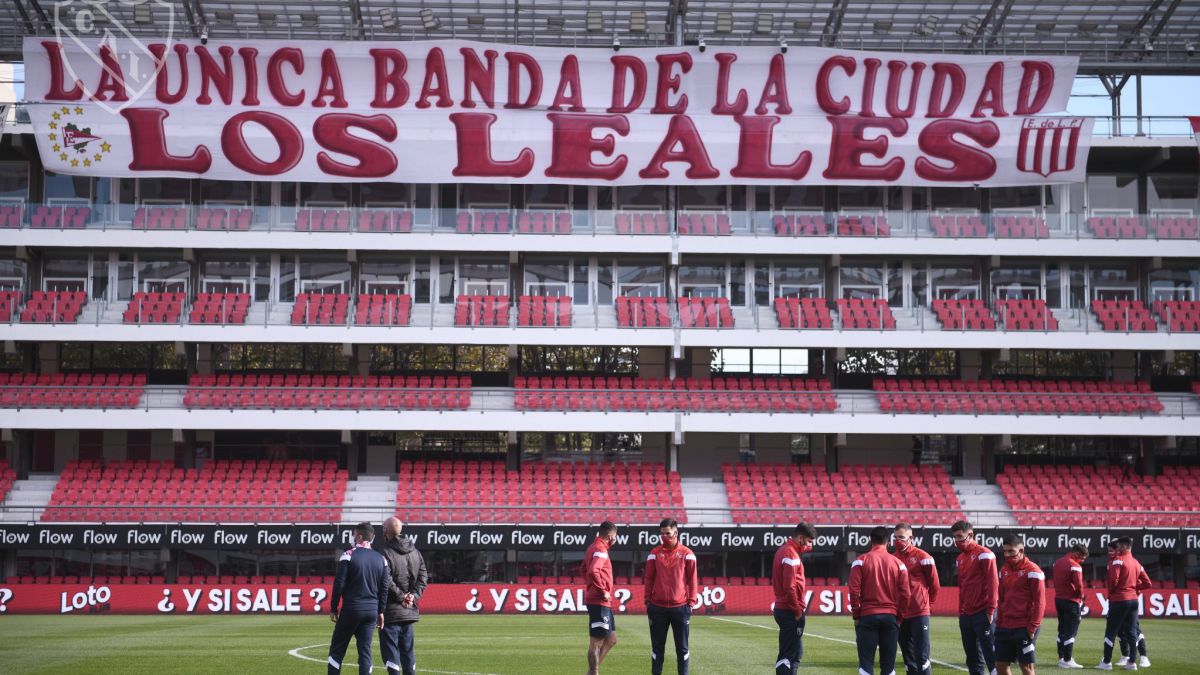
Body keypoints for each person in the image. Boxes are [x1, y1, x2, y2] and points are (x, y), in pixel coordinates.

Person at [327, 522, 390, 675]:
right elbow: (384, 588)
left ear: (360, 536)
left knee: (337, 651)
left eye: (354, 535)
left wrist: (334, 608)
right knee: (365, 651)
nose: (353, 537)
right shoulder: (382, 559)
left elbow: (339, 584)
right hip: (371, 611)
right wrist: (380, 611)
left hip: (351, 609)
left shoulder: (348, 555)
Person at [850, 525, 912, 675]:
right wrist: (899, 616)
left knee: (866, 665)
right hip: (890, 617)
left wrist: (857, 615)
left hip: (867, 616)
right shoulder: (899, 564)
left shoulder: (860, 561)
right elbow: (906, 594)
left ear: (870, 541)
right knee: (888, 667)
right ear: (888, 542)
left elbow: (854, 591)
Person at [644, 517, 698, 675]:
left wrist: (691, 603)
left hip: (680, 608)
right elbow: (649, 578)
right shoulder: (654, 553)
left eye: (668, 533)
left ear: (676, 532)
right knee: (657, 649)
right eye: (662, 534)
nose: (664, 537)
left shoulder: (687, 554)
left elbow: (692, 580)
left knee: (682, 649)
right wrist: (648, 600)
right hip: (657, 608)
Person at [375, 517, 428, 675]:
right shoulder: (416, 552)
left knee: (390, 652)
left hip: (391, 611)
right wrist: (413, 596)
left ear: (386, 531)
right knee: (407, 652)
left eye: (383, 527)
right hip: (409, 610)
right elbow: (423, 577)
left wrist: (401, 597)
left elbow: (386, 580)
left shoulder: (384, 552)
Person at [951, 520, 998, 675]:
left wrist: (991, 609)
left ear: (970, 535)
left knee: (991, 655)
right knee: (972, 657)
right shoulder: (960, 559)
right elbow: (963, 587)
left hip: (983, 611)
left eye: (960, 536)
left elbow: (993, 583)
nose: (957, 540)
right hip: (966, 614)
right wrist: (961, 611)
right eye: (955, 537)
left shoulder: (985, 554)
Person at [893, 522, 940, 675]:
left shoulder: (924, 557)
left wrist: (928, 605)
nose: (898, 541)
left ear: (911, 538)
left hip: (920, 613)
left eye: (901, 537)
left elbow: (935, 585)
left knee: (922, 657)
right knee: (908, 658)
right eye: (895, 538)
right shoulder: (893, 559)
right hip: (901, 614)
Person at [994, 535, 1045, 675]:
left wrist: (1032, 627)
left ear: (1021, 550)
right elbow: (1002, 598)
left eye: (1011, 551)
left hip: (1024, 626)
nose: (1007, 555)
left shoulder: (1034, 571)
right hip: (1004, 626)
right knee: (1000, 665)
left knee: (1026, 667)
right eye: (1004, 551)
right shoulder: (1003, 570)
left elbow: (1040, 602)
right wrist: (999, 622)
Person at [1098, 537, 1151, 671]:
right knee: (1132, 632)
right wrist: (1133, 588)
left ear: (1123, 547)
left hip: (1119, 599)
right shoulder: (1136, 562)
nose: (1118, 549)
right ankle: (1132, 662)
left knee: (1111, 631)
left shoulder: (1118, 560)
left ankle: (1106, 662)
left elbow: (1113, 580)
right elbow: (1147, 583)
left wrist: (1113, 593)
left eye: (1119, 546)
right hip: (1133, 600)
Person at [771, 522, 816, 675]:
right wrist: (797, 611)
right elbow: (790, 587)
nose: (810, 546)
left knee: (789, 653)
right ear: (801, 538)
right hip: (790, 610)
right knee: (792, 655)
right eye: (809, 541)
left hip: (782, 608)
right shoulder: (791, 555)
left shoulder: (783, 550)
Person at [584, 521, 619, 675]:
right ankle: (594, 672)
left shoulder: (593, 548)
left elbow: (583, 569)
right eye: (615, 536)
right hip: (599, 600)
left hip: (602, 601)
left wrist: (592, 586)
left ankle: (591, 672)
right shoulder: (601, 550)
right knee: (596, 643)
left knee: (611, 639)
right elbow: (592, 571)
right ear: (611, 536)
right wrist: (602, 589)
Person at [1051, 543, 1087, 669]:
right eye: (1082, 558)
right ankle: (1067, 660)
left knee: (1062, 630)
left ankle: (1061, 658)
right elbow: (1079, 586)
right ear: (1076, 553)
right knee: (1071, 631)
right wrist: (1081, 596)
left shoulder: (1057, 563)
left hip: (1059, 599)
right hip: (1071, 601)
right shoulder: (1075, 566)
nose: (1082, 561)